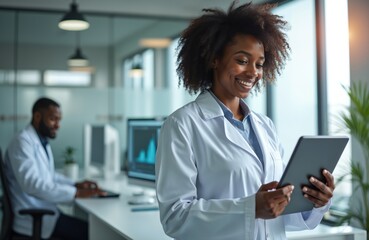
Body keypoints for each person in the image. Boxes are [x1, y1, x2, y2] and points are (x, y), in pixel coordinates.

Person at [155, 2, 334, 240]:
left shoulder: (265, 126)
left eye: (259, 64)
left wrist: (315, 202)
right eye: (242, 60)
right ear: (214, 59)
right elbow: (175, 217)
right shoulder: (182, 125)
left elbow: (278, 213)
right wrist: (250, 208)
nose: (253, 72)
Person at [3, 97, 106, 240]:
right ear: (37, 117)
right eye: (53, 119)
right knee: (95, 234)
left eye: (59, 120)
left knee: (93, 230)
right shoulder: (22, 142)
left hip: (46, 211)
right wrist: (76, 193)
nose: (58, 125)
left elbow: (49, 176)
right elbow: (31, 184)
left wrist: (75, 184)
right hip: (33, 217)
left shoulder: (41, 140)